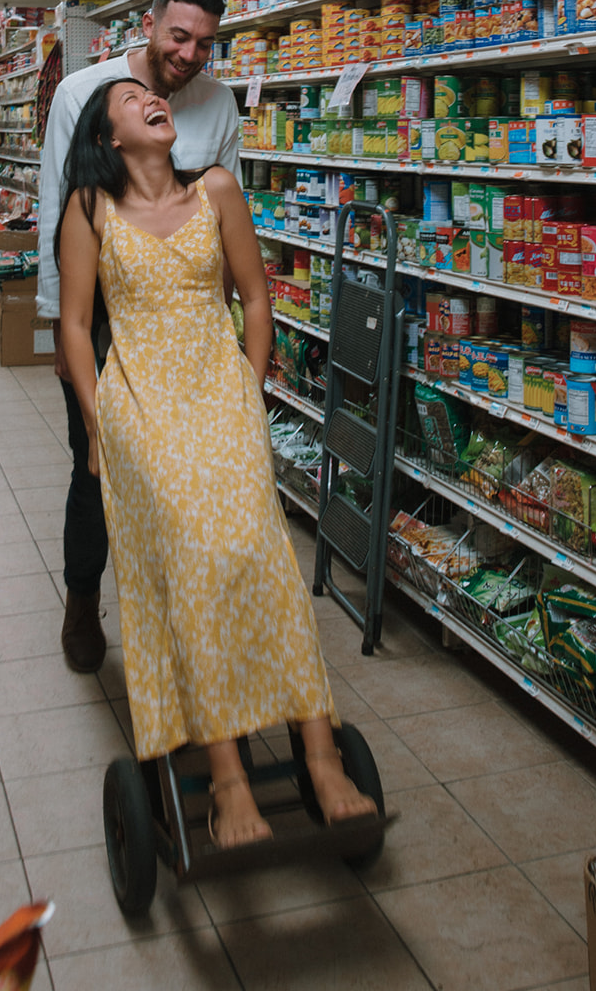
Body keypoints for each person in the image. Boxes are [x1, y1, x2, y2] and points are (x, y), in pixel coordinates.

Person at [57, 78, 376, 848]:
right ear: (108, 140)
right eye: (130, 101)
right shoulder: (90, 209)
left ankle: (323, 755)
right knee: (194, 562)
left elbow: (257, 300)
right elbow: (72, 325)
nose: (150, 100)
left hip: (220, 395)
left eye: (149, 95)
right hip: (140, 408)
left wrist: (249, 382)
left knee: (262, 553)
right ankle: (228, 781)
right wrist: (100, 426)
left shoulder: (219, 191)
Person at [36, 0, 241, 673]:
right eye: (178, 37)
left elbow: (220, 223)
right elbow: (55, 207)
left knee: (189, 469)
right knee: (97, 463)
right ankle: (82, 598)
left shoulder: (218, 107)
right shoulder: (82, 93)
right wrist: (57, 323)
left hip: (184, 322)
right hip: (98, 314)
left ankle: (185, 603)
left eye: (204, 45)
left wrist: (222, 333)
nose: (188, 55)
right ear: (150, 25)